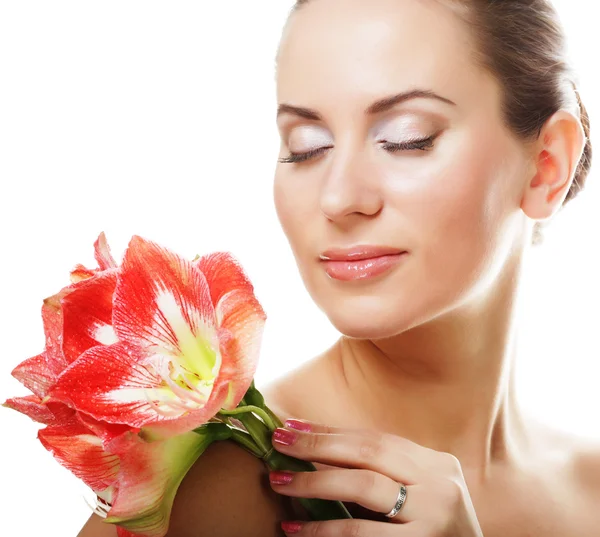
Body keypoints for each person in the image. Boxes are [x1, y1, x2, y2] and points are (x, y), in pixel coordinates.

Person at [78, 0, 598, 535]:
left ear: (546, 168)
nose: (339, 197)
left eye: (407, 137)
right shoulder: (220, 484)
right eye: (306, 148)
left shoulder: (591, 490)